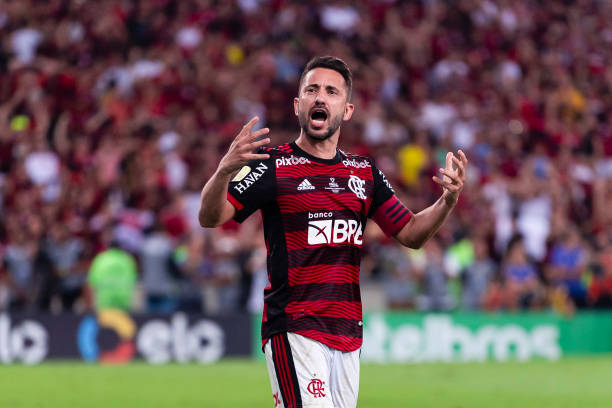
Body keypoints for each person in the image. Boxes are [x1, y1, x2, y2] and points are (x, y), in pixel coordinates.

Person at [199, 56, 467, 408]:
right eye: (311, 90)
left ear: (348, 108)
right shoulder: (273, 166)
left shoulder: (364, 173)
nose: (320, 97)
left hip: (347, 334)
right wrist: (222, 172)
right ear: (298, 106)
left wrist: (447, 202)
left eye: (331, 91)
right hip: (294, 326)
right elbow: (211, 216)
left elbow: (411, 233)